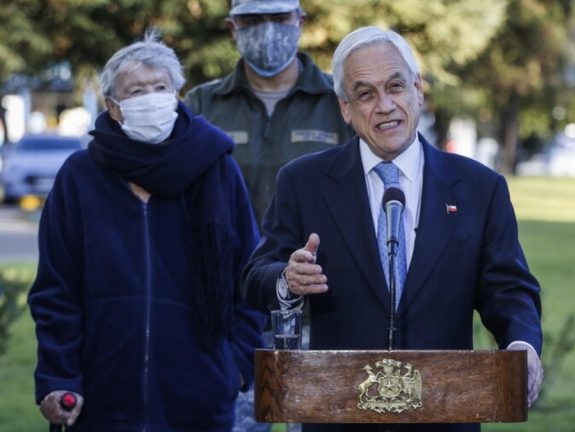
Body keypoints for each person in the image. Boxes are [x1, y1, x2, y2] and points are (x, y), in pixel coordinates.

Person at [241, 26, 544, 432]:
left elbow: (508, 289)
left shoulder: (479, 188)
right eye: (366, 94)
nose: (385, 106)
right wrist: (286, 278)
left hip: (444, 417)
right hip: (338, 418)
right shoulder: (304, 181)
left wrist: (521, 344)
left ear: (418, 90)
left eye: (395, 86)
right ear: (346, 108)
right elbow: (255, 276)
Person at [28, 30, 265, 431]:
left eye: (161, 88)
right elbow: (56, 290)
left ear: (177, 96)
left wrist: (236, 367)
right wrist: (58, 376)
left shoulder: (217, 170)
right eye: (137, 91)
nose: (151, 98)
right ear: (113, 107)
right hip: (101, 402)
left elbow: (250, 277)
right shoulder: (80, 177)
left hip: (199, 404)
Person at [184, 0, 352, 224]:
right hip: (232, 247)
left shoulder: (341, 100)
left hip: (317, 246)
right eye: (253, 21)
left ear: (300, 22)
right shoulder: (202, 105)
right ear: (233, 27)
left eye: (280, 18)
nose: (268, 30)